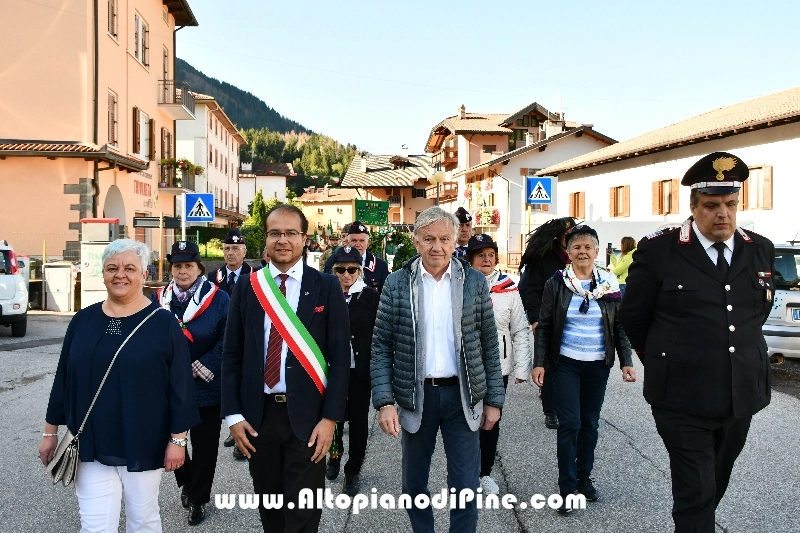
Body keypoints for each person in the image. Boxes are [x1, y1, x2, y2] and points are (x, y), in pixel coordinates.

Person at [619, 152, 776, 533]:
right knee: (697, 490)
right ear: (693, 207)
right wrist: (666, 360)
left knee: (716, 480)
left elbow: (756, 314)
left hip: (740, 394)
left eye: (730, 204)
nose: (723, 214)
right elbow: (634, 317)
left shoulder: (759, 248)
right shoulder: (660, 250)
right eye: (711, 205)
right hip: (681, 397)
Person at [39, 239, 199, 532]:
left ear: (144, 274)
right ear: (102, 273)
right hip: (90, 440)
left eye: (129, 268)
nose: (120, 275)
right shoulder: (83, 320)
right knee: (95, 525)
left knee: (143, 521)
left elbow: (181, 386)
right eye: (112, 268)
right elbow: (64, 378)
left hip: (144, 439)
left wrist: (178, 441)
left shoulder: (163, 323)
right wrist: (50, 432)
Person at [371, 206, 505, 533]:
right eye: (429, 239)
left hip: (462, 397)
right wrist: (385, 402)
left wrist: (494, 400)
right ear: (416, 241)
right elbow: (381, 346)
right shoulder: (396, 283)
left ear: (455, 241)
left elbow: (489, 344)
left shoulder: (473, 281)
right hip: (416, 398)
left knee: (465, 485)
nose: (437, 247)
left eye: (445, 239)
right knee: (414, 483)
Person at [221, 203, 350, 532]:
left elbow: (339, 359)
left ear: (304, 239)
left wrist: (331, 419)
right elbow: (232, 354)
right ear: (265, 239)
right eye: (275, 233)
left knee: (303, 515)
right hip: (258, 418)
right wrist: (233, 416)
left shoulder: (326, 286)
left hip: (309, 418)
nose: (282, 240)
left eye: (291, 233)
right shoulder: (248, 287)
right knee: (271, 511)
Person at [532, 224, 636, 514]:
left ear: (596, 251)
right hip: (565, 363)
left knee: (590, 423)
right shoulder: (557, 284)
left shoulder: (608, 284)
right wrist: (539, 363)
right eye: (576, 247)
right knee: (570, 424)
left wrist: (627, 361)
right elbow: (545, 326)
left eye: (587, 247)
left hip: (598, 365)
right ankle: (566, 489)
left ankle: (583, 477)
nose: (582, 251)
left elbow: (619, 326)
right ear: (568, 252)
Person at [151, 241, 230, 526]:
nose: (182, 271)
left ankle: (199, 499)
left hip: (206, 385)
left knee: (205, 446)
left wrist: (203, 364)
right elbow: (150, 337)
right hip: (170, 387)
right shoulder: (158, 299)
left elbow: (228, 338)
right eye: (177, 266)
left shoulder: (219, 299)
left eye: (188, 265)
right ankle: (187, 481)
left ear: (199, 268)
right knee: (173, 441)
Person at [466, 234, 532, 496]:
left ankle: (484, 474)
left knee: (491, 421)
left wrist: (522, 367)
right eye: (480, 255)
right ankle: (465, 473)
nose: (487, 259)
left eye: (491, 254)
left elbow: (520, 329)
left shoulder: (509, 288)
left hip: (498, 368)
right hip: (466, 367)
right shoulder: (459, 284)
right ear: (470, 259)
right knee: (464, 422)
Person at [325, 246, 380, 496]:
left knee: (358, 423)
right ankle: (334, 456)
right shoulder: (327, 294)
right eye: (340, 270)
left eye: (351, 270)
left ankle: (353, 470)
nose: (346, 275)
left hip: (359, 371)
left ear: (359, 271)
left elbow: (378, 334)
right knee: (333, 416)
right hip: (332, 370)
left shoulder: (369, 296)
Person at [519, 217, 577, 429]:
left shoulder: (577, 257)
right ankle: (551, 411)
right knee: (549, 366)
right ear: (558, 236)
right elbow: (532, 289)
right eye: (567, 234)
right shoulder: (543, 259)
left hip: (574, 321)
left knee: (570, 365)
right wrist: (535, 319)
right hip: (547, 319)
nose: (570, 237)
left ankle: (570, 406)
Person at [324, 221, 389, 294]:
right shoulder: (333, 261)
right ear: (348, 241)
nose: (357, 244)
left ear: (368, 243)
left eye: (362, 241)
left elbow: (385, 296)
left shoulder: (380, 266)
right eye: (354, 240)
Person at [210, 229, 251, 295]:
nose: (230, 253)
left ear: (244, 252)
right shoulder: (213, 277)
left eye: (235, 248)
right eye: (227, 249)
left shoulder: (255, 276)